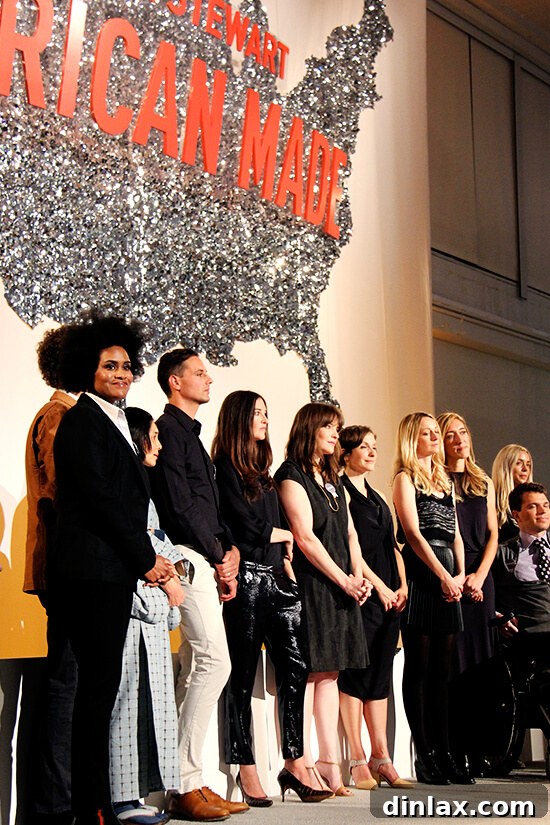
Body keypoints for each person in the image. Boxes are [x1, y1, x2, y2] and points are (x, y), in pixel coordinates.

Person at [53, 312, 175, 825]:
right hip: (92, 573)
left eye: (127, 365)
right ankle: (91, 809)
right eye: (109, 366)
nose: (122, 373)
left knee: (101, 691)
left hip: (109, 571)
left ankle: (95, 806)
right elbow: (103, 502)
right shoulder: (83, 421)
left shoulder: (118, 420)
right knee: (97, 693)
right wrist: (147, 559)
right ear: (88, 369)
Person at [212, 391, 331, 805]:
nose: (264, 419)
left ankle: (294, 761)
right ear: (240, 418)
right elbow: (242, 527)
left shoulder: (265, 472)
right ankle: (245, 767)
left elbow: (276, 525)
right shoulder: (224, 466)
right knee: (241, 678)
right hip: (246, 582)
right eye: (257, 412)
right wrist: (282, 536)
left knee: (297, 669)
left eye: (267, 411)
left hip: (280, 582)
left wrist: (288, 562)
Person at [150, 348, 248, 822]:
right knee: (214, 661)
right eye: (199, 373)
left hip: (207, 557)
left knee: (196, 667)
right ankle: (184, 782)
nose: (209, 380)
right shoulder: (167, 430)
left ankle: (190, 780)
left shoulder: (192, 435)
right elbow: (178, 506)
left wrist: (229, 552)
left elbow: (210, 509)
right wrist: (214, 553)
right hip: (187, 557)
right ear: (174, 381)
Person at [275, 402, 370, 797]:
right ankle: (304, 763)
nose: (335, 435)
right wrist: (342, 580)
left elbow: (349, 533)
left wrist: (359, 577)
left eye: (337, 428)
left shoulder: (331, 475)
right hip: (313, 584)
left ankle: (331, 764)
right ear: (310, 429)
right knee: (311, 672)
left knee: (332, 672)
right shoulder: (290, 474)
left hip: (341, 583)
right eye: (329, 428)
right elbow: (305, 537)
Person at [109, 407, 188, 825]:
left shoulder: (144, 489)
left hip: (153, 615)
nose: (158, 444)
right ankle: (121, 800)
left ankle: (137, 793)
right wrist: (165, 589)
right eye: (153, 436)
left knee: (149, 706)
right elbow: (136, 547)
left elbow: (161, 542)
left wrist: (175, 571)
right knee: (125, 705)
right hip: (133, 611)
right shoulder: (123, 486)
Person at [392, 412, 469, 786]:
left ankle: (446, 750)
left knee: (443, 672)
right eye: (427, 433)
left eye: (436, 432)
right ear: (412, 438)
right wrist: (441, 576)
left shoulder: (444, 480)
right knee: (419, 669)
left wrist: (459, 575)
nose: (435, 437)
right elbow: (412, 533)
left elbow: (454, 534)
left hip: (448, 575)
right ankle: (425, 755)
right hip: (423, 573)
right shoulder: (405, 479)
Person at [23, 326, 78, 825]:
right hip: (68, 569)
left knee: (69, 684)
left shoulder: (65, 415)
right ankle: (58, 807)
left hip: (69, 566)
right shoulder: (59, 417)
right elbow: (64, 493)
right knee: (66, 686)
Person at [337, 425, 412, 790]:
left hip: (389, 596)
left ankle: (381, 755)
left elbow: (393, 545)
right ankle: (355, 755)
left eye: (374, 446)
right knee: (356, 673)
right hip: (364, 592)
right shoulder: (341, 492)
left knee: (381, 675)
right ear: (346, 452)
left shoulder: (379, 495)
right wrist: (380, 588)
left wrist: (401, 586)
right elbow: (354, 551)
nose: (371, 452)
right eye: (363, 446)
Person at [437, 412, 499, 776]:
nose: (458, 439)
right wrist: (460, 576)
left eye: (462, 431)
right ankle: (454, 751)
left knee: (482, 666)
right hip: (450, 574)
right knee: (452, 665)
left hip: (481, 575)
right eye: (450, 434)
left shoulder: (483, 481)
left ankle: (481, 750)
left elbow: (492, 533)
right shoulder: (435, 479)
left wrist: (479, 575)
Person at [492, 482, 550, 637]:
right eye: (533, 506)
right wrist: (498, 617)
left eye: (546, 505)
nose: (542, 511)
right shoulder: (501, 553)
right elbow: (484, 597)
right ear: (516, 515)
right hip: (529, 643)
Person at [491, 444, 533, 542]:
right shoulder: (491, 503)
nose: (525, 469)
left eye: (528, 464)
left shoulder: (532, 503)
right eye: (519, 463)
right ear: (505, 467)